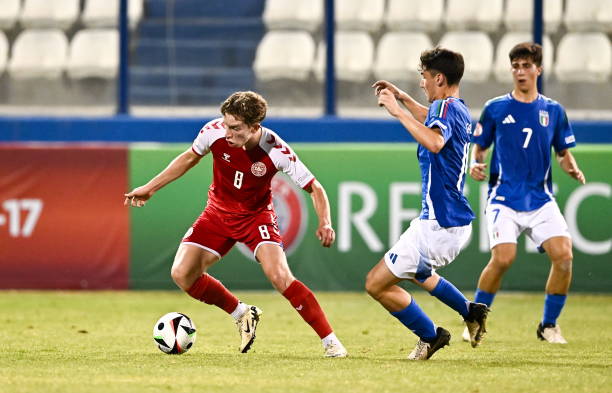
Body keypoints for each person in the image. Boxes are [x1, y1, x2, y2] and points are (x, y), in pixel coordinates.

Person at [124, 91, 348, 358]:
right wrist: (150, 188)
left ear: (254, 127)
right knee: (182, 274)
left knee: (279, 276)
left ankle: (331, 342)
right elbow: (188, 158)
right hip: (217, 213)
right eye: (226, 124)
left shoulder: (276, 149)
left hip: (256, 217)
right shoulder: (213, 132)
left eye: (235, 127)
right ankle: (242, 313)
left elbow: (316, 188)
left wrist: (325, 222)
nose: (227, 132)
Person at [365, 47, 489, 361]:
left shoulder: (447, 108)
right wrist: (404, 98)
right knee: (419, 273)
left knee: (376, 283)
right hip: (443, 221)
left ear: (439, 78)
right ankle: (470, 312)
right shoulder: (452, 108)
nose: (422, 83)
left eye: (423, 77)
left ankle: (432, 335)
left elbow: (434, 141)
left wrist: (397, 111)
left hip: (440, 223)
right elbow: (431, 120)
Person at [465, 42, 586, 345]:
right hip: (504, 198)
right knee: (504, 258)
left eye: (526, 66)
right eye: (516, 66)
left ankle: (548, 326)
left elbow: (563, 152)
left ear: (538, 70)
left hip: (541, 199)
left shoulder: (554, 110)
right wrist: (475, 163)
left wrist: (570, 166)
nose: (520, 71)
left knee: (565, 257)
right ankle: (474, 320)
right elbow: (479, 147)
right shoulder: (496, 108)